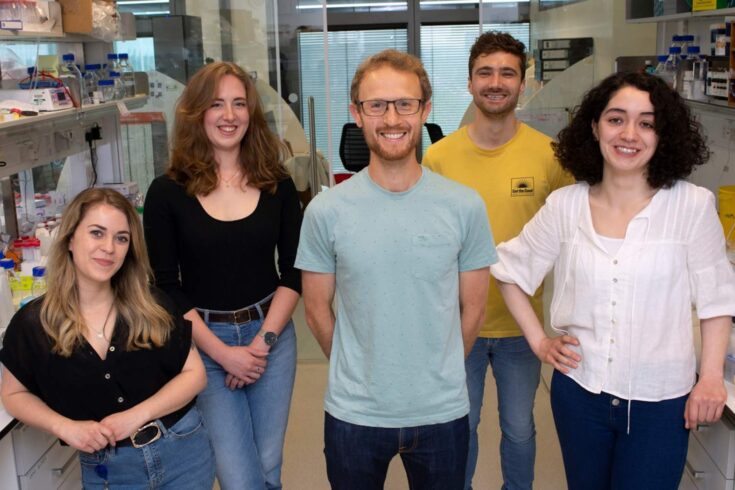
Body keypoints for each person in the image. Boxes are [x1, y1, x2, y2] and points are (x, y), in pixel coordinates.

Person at [491, 71, 735, 489]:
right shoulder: (565, 206)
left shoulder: (691, 206)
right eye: (616, 118)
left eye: (647, 123)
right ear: (594, 126)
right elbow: (509, 271)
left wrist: (710, 377)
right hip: (580, 394)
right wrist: (540, 342)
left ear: (663, 134)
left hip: (660, 401)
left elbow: (717, 298)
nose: (630, 134)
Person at [296, 49, 496, 490]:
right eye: (377, 105)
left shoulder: (464, 206)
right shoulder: (326, 211)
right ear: (356, 114)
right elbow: (316, 310)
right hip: (354, 414)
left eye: (405, 104)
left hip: (442, 412)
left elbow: (473, 311)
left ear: (425, 110)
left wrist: (433, 373)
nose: (392, 118)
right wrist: (361, 370)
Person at [422, 31, 573, 490]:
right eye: (485, 72)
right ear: (469, 82)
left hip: (521, 329)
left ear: (522, 84)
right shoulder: (439, 157)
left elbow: (571, 235)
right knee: (458, 427)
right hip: (458, 324)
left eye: (507, 72)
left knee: (519, 429)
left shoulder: (549, 156)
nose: (496, 82)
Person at [143, 61, 302, 489]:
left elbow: (294, 272)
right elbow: (167, 287)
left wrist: (261, 344)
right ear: (197, 113)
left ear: (251, 114)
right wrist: (225, 354)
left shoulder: (277, 184)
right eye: (216, 104)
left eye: (238, 104)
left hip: (271, 335)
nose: (229, 115)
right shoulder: (167, 192)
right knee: (237, 477)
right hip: (204, 344)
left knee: (268, 467)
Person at [0, 188, 214, 489]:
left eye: (121, 238)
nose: (109, 248)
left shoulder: (152, 305)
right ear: (70, 239)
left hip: (182, 452)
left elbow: (195, 375)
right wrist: (65, 427)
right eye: (97, 233)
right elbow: (12, 394)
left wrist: (135, 417)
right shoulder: (35, 324)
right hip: (110, 470)